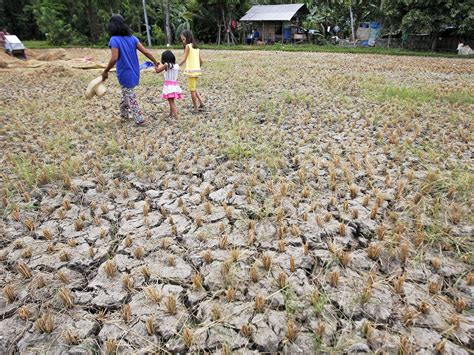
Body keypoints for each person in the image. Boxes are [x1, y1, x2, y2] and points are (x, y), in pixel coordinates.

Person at [101, 15, 159, 125]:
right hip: (135, 72)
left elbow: (114, 58)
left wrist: (105, 71)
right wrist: (155, 62)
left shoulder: (114, 40)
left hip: (124, 73)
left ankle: (139, 119)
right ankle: (124, 114)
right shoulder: (132, 38)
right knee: (126, 93)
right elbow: (145, 52)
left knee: (130, 95)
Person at [178, 30, 204, 113]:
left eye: (183, 39)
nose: (183, 41)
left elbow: (184, 59)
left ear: (187, 37)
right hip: (197, 71)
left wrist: (176, 65)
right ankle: (201, 103)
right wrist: (197, 67)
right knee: (194, 88)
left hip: (191, 72)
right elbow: (201, 61)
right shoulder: (196, 47)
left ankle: (195, 108)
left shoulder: (188, 46)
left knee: (192, 90)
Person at [155, 50, 182, 119]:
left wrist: (155, 65)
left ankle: (176, 116)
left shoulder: (166, 65)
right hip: (175, 85)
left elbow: (157, 71)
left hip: (169, 86)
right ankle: (171, 113)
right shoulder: (176, 66)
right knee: (171, 100)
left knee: (171, 102)